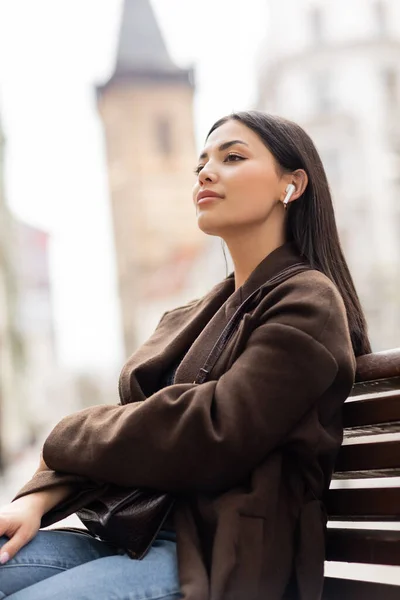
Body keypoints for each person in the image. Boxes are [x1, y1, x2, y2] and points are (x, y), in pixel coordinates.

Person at [0, 111, 370, 600]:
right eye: (202, 162)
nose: (206, 172)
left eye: (233, 157)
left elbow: (212, 429)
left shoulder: (308, 302)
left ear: (292, 185)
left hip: (224, 556)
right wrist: (38, 497)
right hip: (133, 535)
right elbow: (139, 426)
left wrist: (64, 437)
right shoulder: (192, 314)